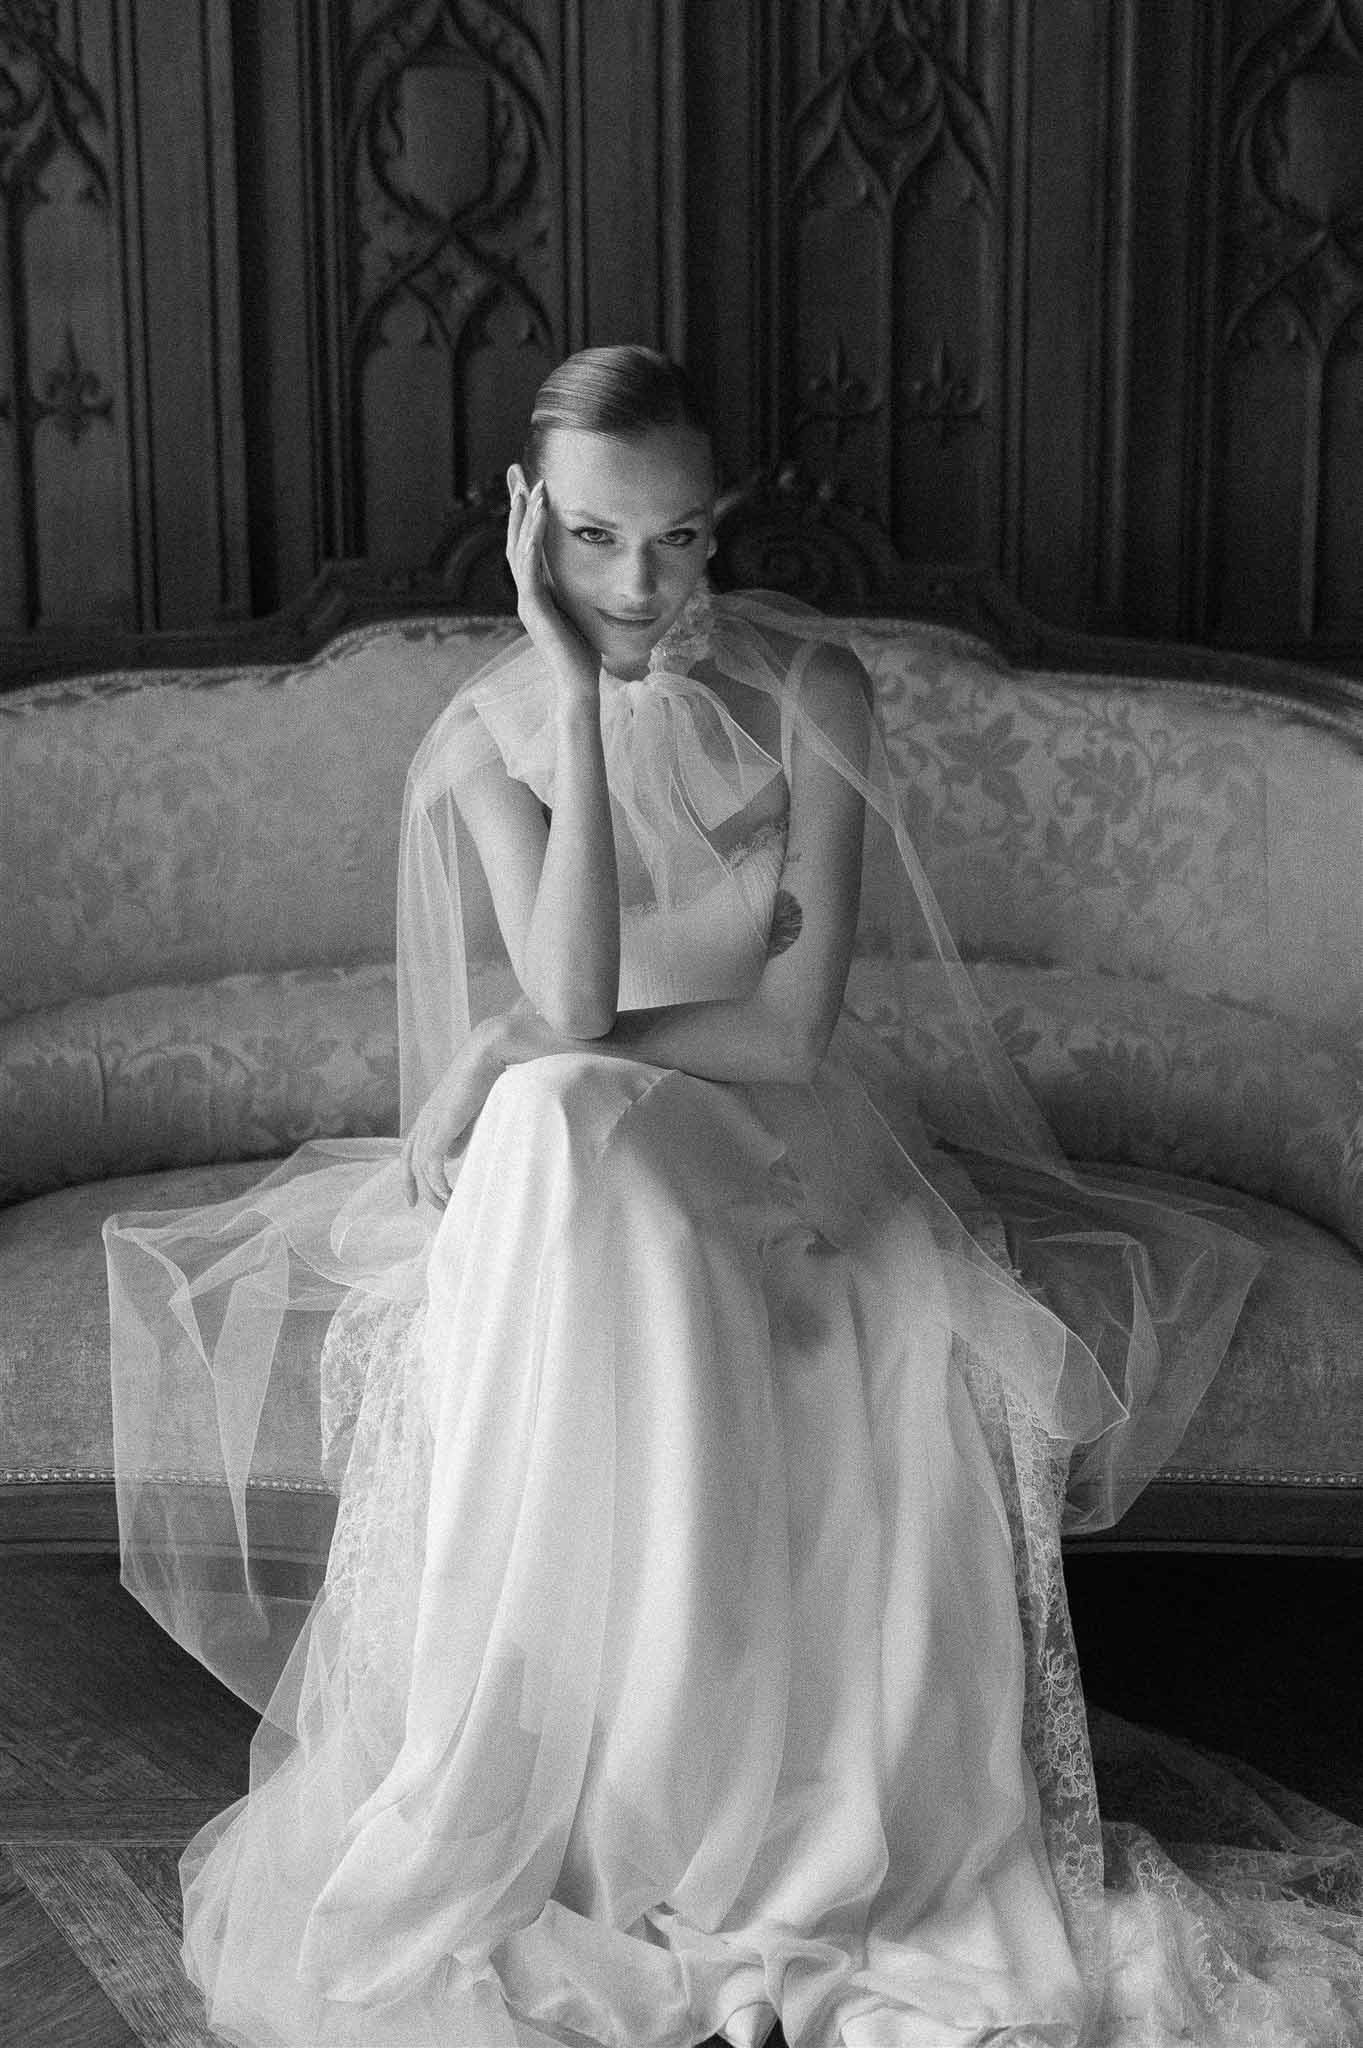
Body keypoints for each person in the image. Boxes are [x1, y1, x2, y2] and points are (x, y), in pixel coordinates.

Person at [104, 347, 1363, 2047]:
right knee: (552, 1118)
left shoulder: (814, 690)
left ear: (721, 528)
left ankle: (703, 1832)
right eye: (602, 542)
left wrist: (502, 1052)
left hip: (776, 1163)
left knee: (543, 1103)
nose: (642, 586)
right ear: (531, 527)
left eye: (682, 539)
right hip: (584, 1172)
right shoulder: (488, 730)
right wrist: (563, 708)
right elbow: (564, 1003)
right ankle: (597, 1814)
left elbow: (787, 1032)